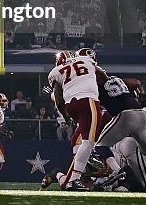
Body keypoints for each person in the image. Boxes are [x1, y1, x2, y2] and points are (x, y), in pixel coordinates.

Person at [47, 48, 104, 190]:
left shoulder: (55, 72)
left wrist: (66, 117)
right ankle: (75, 178)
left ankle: (85, 163)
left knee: (82, 138)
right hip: (88, 100)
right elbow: (102, 76)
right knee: (89, 141)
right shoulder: (86, 60)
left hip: (70, 105)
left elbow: (58, 101)